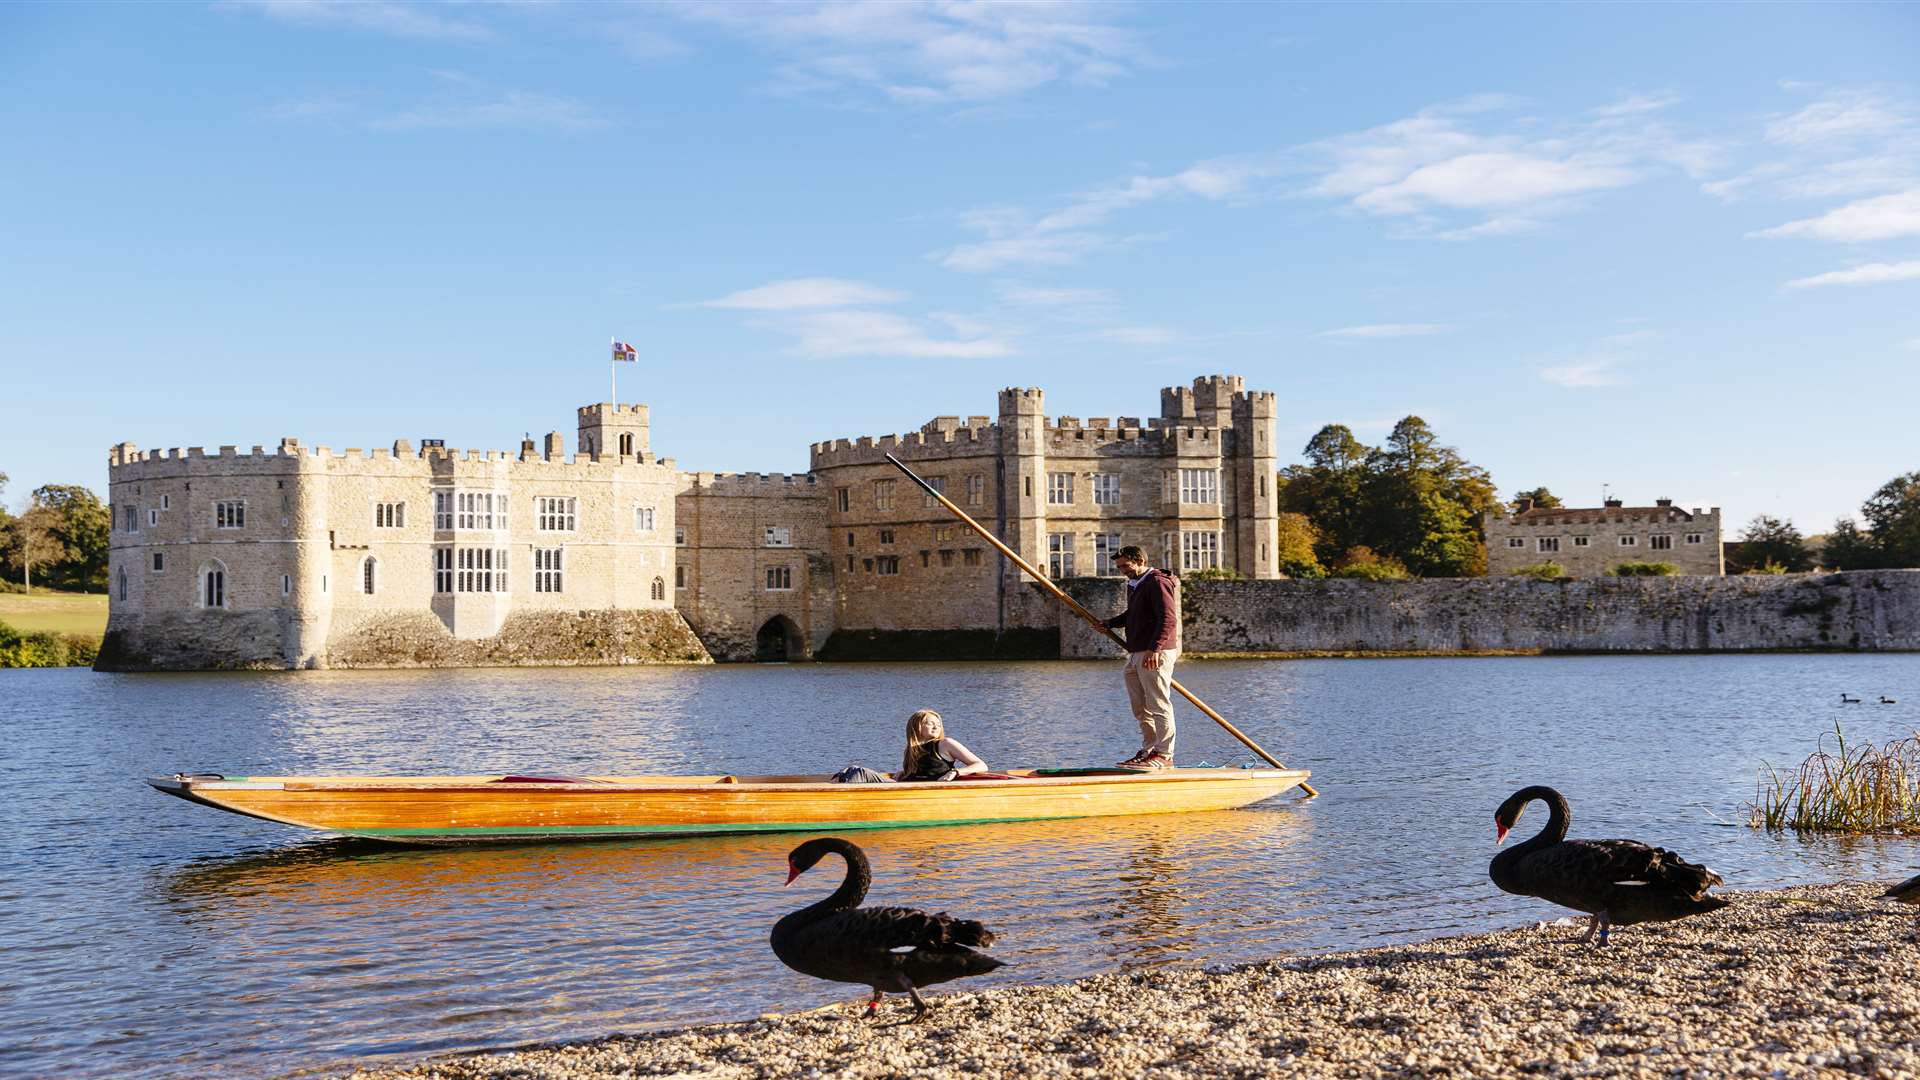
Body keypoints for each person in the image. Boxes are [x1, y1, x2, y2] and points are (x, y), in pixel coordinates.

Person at [1104, 545, 1180, 771]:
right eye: (1119, 567)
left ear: (1139, 561)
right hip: (1137, 651)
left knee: (1158, 704)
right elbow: (1134, 614)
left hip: (1155, 652)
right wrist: (1110, 623)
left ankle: (1165, 754)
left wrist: (1155, 649)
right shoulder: (1134, 584)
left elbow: (1168, 619)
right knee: (1140, 707)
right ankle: (1149, 749)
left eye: (1126, 565)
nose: (1122, 571)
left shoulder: (1157, 582)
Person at [829, 709, 987, 783]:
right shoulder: (912, 749)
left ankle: (833, 804)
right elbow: (923, 769)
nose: (936, 727)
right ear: (917, 727)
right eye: (930, 723)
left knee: (860, 772)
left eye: (938, 724)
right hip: (905, 786)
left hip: (923, 792)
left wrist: (955, 772)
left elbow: (981, 765)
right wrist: (905, 772)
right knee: (850, 771)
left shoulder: (946, 744)